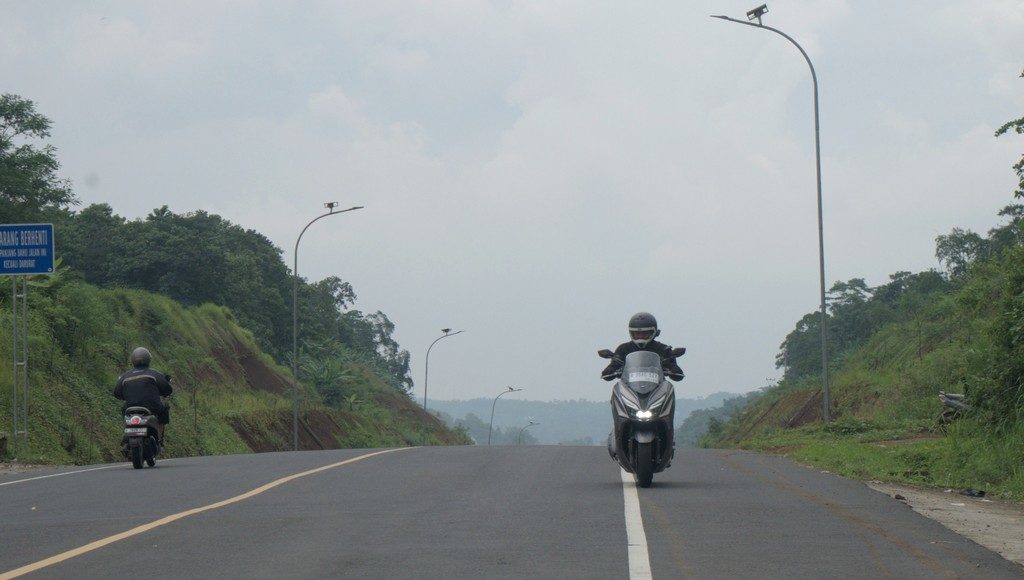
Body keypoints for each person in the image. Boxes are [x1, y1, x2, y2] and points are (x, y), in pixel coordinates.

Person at [601, 312, 684, 381]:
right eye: (637, 333)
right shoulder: (623, 348)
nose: (640, 336)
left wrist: (673, 368)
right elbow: (615, 364)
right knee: (617, 389)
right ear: (631, 333)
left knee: (668, 387)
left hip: (657, 387)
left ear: (654, 332)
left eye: (645, 333)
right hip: (628, 387)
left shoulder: (663, 349)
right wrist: (610, 369)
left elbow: (677, 375)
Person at [114, 347, 172, 442]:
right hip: (152, 408)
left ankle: (126, 430)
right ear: (148, 359)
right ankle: (160, 438)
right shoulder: (154, 374)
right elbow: (167, 389)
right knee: (165, 407)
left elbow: (117, 393)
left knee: (123, 409)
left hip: (130, 408)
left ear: (133, 360)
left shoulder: (125, 376)